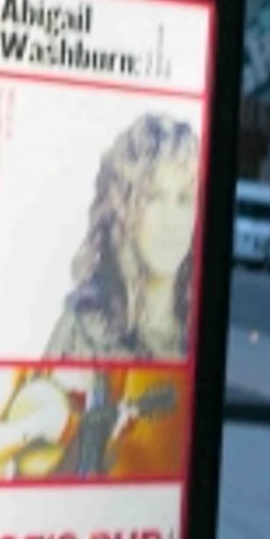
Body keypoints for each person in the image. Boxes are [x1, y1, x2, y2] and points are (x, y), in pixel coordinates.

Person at [44, 113, 201, 361]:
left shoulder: (198, 327)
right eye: (153, 197)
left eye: (184, 200)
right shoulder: (82, 330)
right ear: (123, 208)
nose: (171, 221)